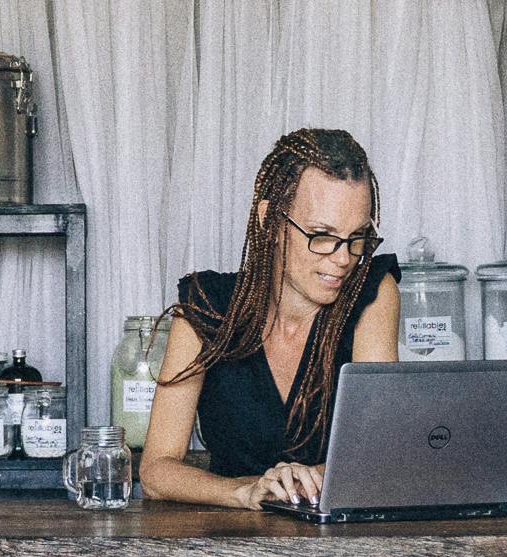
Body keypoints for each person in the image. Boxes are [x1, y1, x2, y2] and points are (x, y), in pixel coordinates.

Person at [141, 129, 402, 510]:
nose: (344, 258)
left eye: (357, 237)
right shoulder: (206, 307)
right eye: (322, 235)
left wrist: (299, 484)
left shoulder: (373, 294)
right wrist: (246, 492)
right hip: (221, 547)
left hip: (342, 550)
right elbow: (156, 471)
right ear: (269, 221)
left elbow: (377, 458)